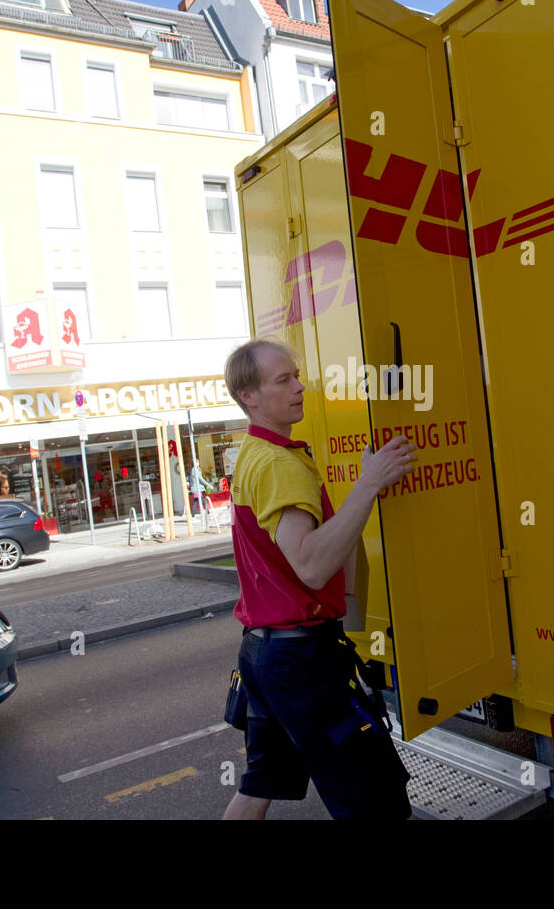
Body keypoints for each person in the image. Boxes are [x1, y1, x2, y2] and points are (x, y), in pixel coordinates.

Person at [221, 337, 417, 820]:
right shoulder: (278, 464)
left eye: (296, 376)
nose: (300, 387)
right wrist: (369, 483)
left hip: (265, 652)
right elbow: (310, 563)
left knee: (259, 786)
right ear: (250, 396)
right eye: (283, 380)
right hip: (300, 662)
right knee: (375, 801)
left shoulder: (252, 452)